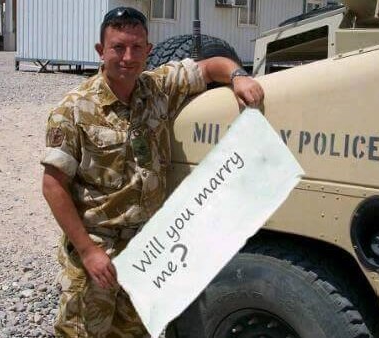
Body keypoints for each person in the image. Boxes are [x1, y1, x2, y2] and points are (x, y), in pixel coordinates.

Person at [41, 6, 264, 337]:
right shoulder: (73, 110)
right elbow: (52, 186)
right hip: (99, 249)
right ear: (101, 52)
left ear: (148, 50)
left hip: (147, 249)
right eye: (118, 48)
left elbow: (209, 67)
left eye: (136, 48)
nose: (128, 57)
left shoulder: (158, 88)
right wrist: (88, 251)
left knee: (137, 331)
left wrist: (237, 75)